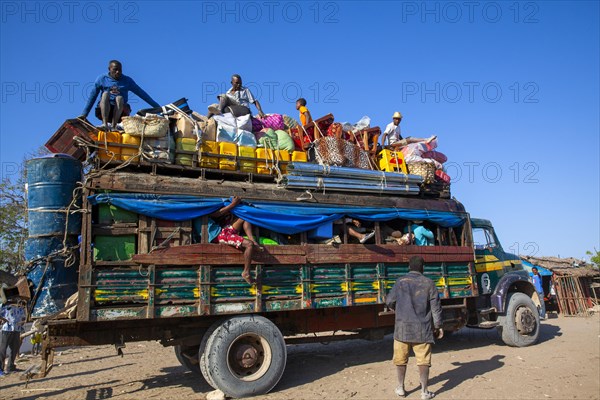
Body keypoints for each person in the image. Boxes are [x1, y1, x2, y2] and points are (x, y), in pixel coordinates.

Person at [386, 256, 443, 400]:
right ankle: (424, 391)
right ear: (422, 267)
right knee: (423, 361)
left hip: (401, 328)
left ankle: (400, 388)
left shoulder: (400, 282)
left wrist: (397, 309)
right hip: (422, 329)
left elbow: (389, 301)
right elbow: (436, 308)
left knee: (400, 360)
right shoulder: (429, 283)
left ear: (409, 267)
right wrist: (438, 326)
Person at [79, 60, 160, 131]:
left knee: (119, 98)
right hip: (104, 109)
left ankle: (114, 126)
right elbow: (92, 97)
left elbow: (143, 94)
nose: (118, 72)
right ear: (109, 69)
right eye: (115, 69)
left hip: (120, 111)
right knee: (105, 94)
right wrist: (84, 114)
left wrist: (159, 109)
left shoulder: (127, 81)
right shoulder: (102, 79)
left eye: (120, 70)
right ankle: (105, 124)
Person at [208, 196, 259, 284]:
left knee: (244, 217)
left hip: (223, 230)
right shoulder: (204, 209)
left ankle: (253, 240)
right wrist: (233, 204)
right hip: (220, 236)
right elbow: (216, 214)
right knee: (249, 245)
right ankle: (246, 272)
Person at [0, 299, 26, 375]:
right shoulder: (5, 305)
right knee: (2, 350)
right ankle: (0, 369)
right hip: (7, 330)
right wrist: (5, 320)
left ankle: (10, 367)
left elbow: (23, 316)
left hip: (16, 329)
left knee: (14, 348)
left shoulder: (20, 307)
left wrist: (22, 322)